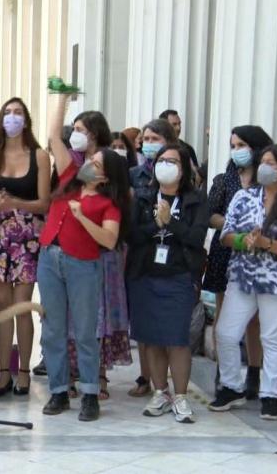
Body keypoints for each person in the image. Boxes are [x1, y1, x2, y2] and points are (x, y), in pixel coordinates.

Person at [210, 143, 277, 421]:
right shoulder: (244, 198)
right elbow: (226, 235)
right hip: (243, 277)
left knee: (273, 338)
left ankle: (270, 394)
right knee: (226, 333)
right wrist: (245, 240)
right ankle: (231, 386)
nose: (265, 167)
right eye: (263, 162)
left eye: (272, 163)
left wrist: (267, 243)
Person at [37, 148, 128, 421]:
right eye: (91, 160)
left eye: (97, 164)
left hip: (83, 265)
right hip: (49, 258)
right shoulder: (67, 184)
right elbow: (54, 136)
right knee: (53, 329)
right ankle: (59, 390)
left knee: (86, 331)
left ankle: (90, 393)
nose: (89, 164)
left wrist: (83, 218)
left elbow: (109, 240)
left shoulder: (108, 205)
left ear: (105, 177)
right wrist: (62, 102)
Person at [126, 144, 208, 424]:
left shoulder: (196, 200)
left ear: (183, 167)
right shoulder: (143, 197)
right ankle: (160, 392)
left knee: (176, 338)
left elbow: (196, 238)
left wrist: (170, 222)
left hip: (178, 276)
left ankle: (181, 396)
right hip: (144, 275)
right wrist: (156, 225)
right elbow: (132, 235)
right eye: (161, 160)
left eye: (172, 161)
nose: (166, 165)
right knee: (151, 339)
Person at [0, 97, 51, 398]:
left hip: (27, 235)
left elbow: (44, 202)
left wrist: (15, 203)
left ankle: (24, 370)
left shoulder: (40, 156)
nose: (12, 117)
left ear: (26, 119)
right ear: (0, 119)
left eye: (18, 112)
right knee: (2, 306)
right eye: (8, 112)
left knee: (22, 306)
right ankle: (4, 372)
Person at [203, 125, 273, 398]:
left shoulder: (268, 179)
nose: (237, 151)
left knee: (254, 318)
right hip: (227, 249)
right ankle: (226, 371)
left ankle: (254, 373)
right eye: (233, 146)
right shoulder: (224, 180)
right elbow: (210, 215)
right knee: (225, 313)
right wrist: (237, 228)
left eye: (241, 145)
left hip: (258, 254)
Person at [129, 119, 178, 194]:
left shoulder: (178, 171)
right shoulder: (133, 173)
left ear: (169, 142)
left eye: (155, 139)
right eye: (146, 139)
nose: (149, 142)